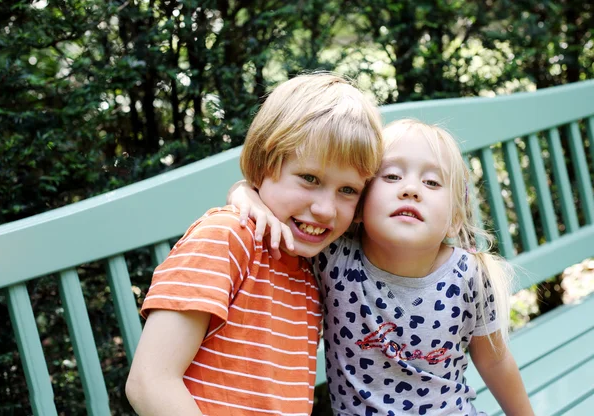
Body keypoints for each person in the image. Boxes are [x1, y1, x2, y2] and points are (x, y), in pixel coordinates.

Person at [228, 119, 534, 415]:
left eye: (431, 182)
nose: (411, 189)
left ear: (454, 218)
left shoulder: (469, 276)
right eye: (391, 177)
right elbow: (273, 206)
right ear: (360, 205)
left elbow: (494, 361)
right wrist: (244, 193)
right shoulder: (333, 257)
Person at [125, 72, 384, 416]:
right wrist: (243, 191)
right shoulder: (226, 237)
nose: (325, 209)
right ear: (263, 165)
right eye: (309, 178)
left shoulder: (315, 265)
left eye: (347, 190)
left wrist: (246, 190)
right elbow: (149, 383)